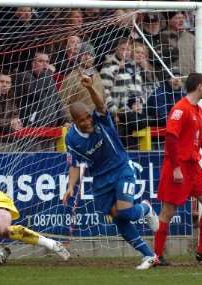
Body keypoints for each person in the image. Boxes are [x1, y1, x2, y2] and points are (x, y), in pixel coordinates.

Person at [62, 75, 159, 270]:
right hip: (100, 179)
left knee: (126, 212)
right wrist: (70, 186)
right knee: (118, 217)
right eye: (82, 120)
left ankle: (147, 208)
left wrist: (90, 89)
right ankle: (150, 256)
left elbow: (100, 106)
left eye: (88, 116)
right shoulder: (72, 139)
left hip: (121, 169)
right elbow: (74, 164)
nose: (88, 122)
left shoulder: (101, 120)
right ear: (74, 122)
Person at [153, 73, 202, 266]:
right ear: (199, 87)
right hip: (177, 166)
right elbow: (171, 138)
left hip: (194, 167)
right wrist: (176, 168)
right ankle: (156, 255)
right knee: (168, 211)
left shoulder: (197, 111)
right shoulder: (180, 109)